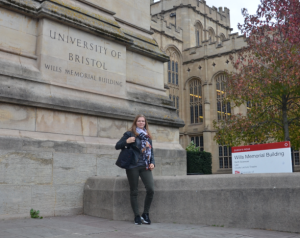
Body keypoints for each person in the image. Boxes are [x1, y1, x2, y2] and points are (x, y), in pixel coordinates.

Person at [115, 115, 155, 225]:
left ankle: (145, 214)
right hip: (133, 166)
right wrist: (127, 141)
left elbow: (152, 153)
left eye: (143, 121)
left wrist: (152, 163)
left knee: (151, 189)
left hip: (145, 166)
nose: (141, 122)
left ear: (145, 123)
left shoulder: (148, 137)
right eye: (139, 121)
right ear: (135, 122)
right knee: (134, 191)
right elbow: (117, 146)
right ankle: (137, 216)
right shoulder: (129, 134)